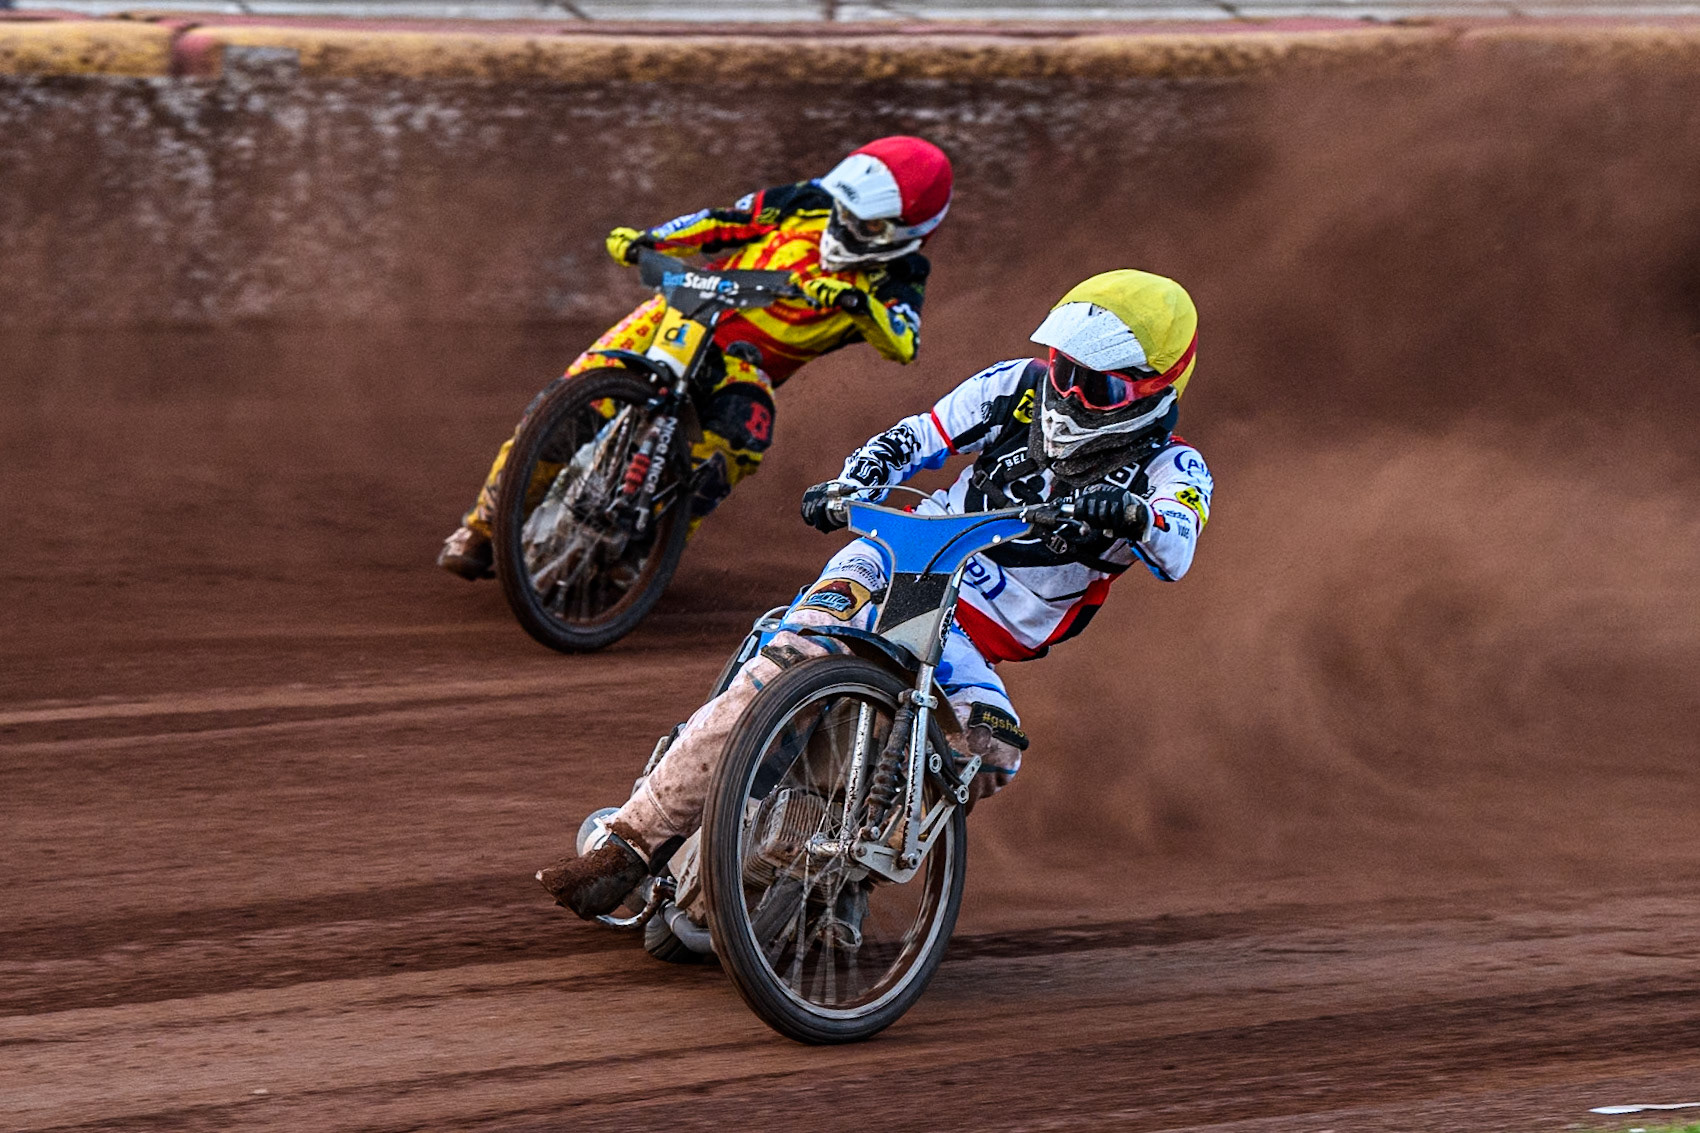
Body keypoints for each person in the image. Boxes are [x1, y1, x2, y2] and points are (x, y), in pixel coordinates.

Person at [538, 268, 1216, 919]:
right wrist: (853, 482)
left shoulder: (1174, 466)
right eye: (1062, 369)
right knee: (790, 658)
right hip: (902, 561)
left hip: (969, 634)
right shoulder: (1014, 385)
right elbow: (920, 435)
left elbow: (1177, 542)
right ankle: (627, 844)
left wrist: (1135, 516)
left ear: (1156, 388)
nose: (1068, 394)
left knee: (989, 750)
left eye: (1096, 385)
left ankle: (840, 875)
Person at [438, 135, 954, 579]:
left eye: (861, 224)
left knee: (743, 434)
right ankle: (482, 529)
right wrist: (652, 239)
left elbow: (903, 343)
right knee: (565, 405)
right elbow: (722, 222)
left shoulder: (898, 277)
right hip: (678, 315)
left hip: (742, 361)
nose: (841, 227)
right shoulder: (803, 202)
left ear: (902, 234)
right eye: (841, 211)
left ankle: (646, 550)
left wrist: (855, 301)